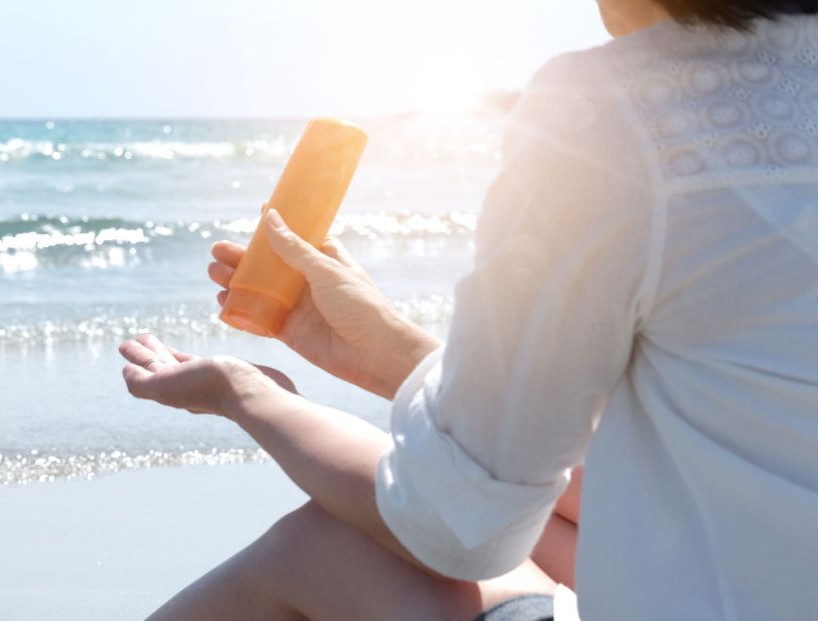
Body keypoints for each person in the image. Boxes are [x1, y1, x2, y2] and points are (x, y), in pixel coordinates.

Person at [118, 0, 818, 618]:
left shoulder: (620, 110)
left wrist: (252, 398)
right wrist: (388, 348)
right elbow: (704, 461)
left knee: (317, 546)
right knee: (546, 509)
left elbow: (459, 529)